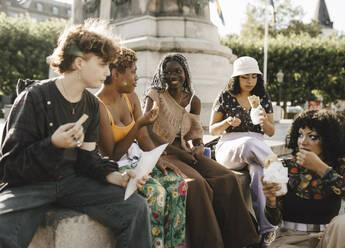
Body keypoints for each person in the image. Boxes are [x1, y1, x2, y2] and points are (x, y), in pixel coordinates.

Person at [0, 20, 151, 248]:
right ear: (79, 62)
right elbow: (9, 167)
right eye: (103, 64)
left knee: (136, 208)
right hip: (31, 185)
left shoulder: (91, 104)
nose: (108, 72)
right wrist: (52, 144)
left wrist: (115, 176)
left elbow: (87, 160)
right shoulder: (34, 98)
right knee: (4, 228)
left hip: (72, 183)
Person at [144, 53, 260, 248]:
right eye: (168, 71)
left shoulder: (193, 100)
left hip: (185, 152)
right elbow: (145, 130)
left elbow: (196, 133)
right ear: (161, 74)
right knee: (197, 184)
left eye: (177, 71)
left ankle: (244, 240)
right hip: (162, 153)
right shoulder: (155, 95)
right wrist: (181, 153)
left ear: (185, 74)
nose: (173, 75)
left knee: (227, 178)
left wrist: (198, 145)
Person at [96, 47, 187, 248]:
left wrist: (159, 160)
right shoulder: (99, 106)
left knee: (178, 184)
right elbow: (112, 154)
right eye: (133, 72)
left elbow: (143, 136)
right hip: (117, 168)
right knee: (157, 193)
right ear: (116, 74)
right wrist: (137, 125)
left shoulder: (131, 97)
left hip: (138, 160)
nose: (137, 78)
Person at [262, 109, 345, 248]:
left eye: (312, 137)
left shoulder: (342, 168)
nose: (303, 142)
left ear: (330, 140)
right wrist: (270, 201)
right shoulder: (284, 167)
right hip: (292, 239)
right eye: (300, 135)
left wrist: (322, 169)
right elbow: (274, 221)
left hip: (329, 238)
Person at [209, 56, 277, 246]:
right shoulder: (225, 96)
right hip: (229, 147)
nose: (250, 81)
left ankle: (268, 230)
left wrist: (263, 119)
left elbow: (270, 132)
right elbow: (212, 129)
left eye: (254, 77)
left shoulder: (262, 97)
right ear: (236, 78)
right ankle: (279, 170)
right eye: (245, 77)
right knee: (248, 143)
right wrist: (227, 122)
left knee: (260, 173)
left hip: (256, 146)